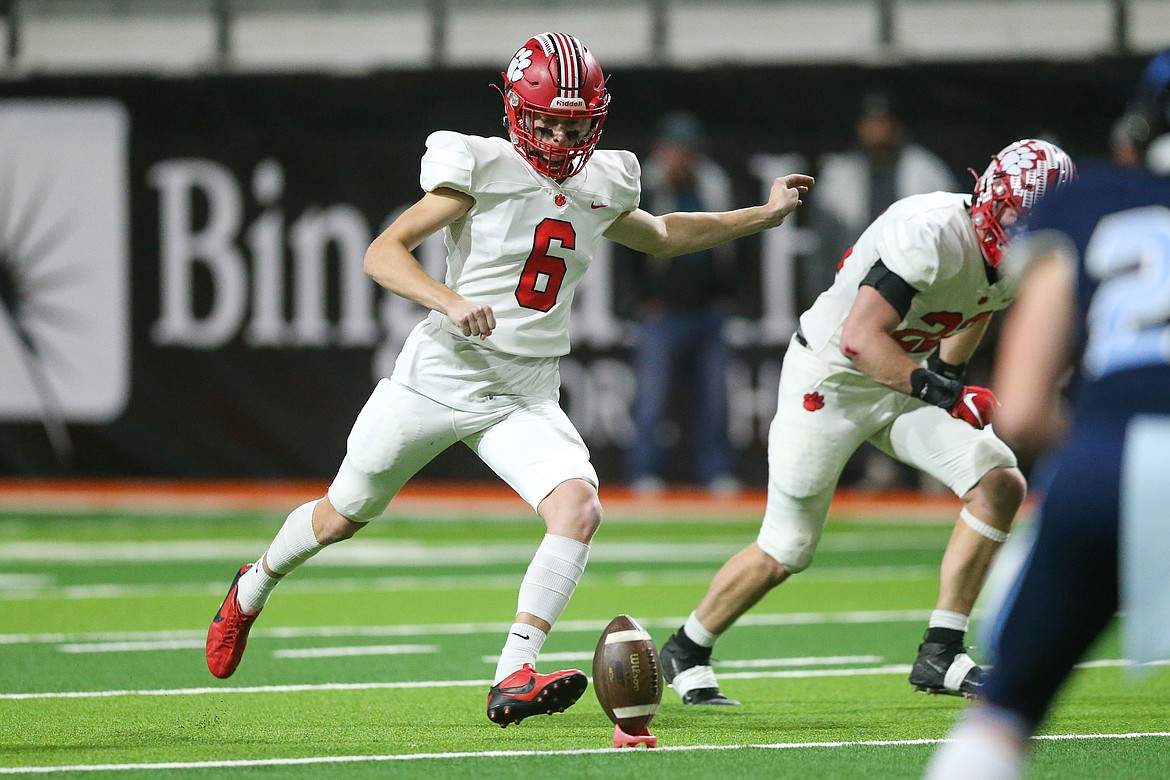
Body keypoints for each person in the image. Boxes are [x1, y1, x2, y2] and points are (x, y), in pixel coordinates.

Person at [204, 31, 813, 728]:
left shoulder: (603, 179)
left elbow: (667, 234)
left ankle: (512, 672)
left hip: (524, 391)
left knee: (579, 507)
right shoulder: (481, 164)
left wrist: (762, 215)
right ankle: (252, 586)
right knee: (342, 515)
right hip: (437, 377)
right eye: (546, 120)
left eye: (572, 122)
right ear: (516, 113)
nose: (558, 135)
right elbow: (383, 252)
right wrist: (450, 300)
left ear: (596, 119)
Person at [658, 138, 1076, 706]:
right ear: (989, 194)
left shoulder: (1026, 258)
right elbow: (859, 339)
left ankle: (942, 651)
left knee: (999, 484)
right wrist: (940, 391)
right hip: (830, 380)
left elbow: (978, 305)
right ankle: (687, 647)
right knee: (786, 549)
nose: (1021, 226)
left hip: (901, 377)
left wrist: (947, 376)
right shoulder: (930, 231)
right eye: (1013, 211)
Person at [925, 51, 1170, 780]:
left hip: (1109, 462)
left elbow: (1024, 409)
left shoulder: (1091, 200)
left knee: (1003, 716)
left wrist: (1110, 442)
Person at [809, 91, 959, 490]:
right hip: (862, 300)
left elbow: (954, 237)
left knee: (928, 377)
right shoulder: (840, 175)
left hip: (921, 296)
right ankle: (881, 468)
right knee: (867, 384)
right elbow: (823, 250)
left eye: (885, 122)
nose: (878, 130)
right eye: (871, 122)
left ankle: (937, 468)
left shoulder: (925, 171)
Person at [621, 111, 741, 495]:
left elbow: (737, 247)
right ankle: (645, 472)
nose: (680, 158)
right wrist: (639, 301)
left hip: (708, 310)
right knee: (652, 400)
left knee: (716, 400)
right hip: (662, 313)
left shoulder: (714, 187)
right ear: (661, 151)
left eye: (687, 151)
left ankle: (716, 471)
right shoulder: (646, 190)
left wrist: (729, 297)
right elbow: (623, 251)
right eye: (674, 150)